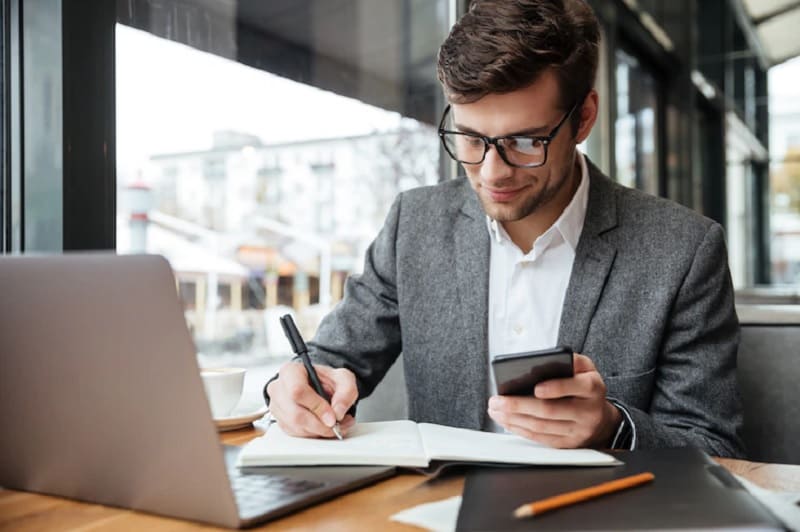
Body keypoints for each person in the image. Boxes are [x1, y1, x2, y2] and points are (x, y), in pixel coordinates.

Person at [264, 0, 744, 457]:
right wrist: (293, 389)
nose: (492, 172)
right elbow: (329, 361)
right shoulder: (414, 225)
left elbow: (714, 446)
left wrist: (612, 427)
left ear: (584, 118)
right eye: (471, 139)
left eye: (523, 140)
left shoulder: (682, 251)